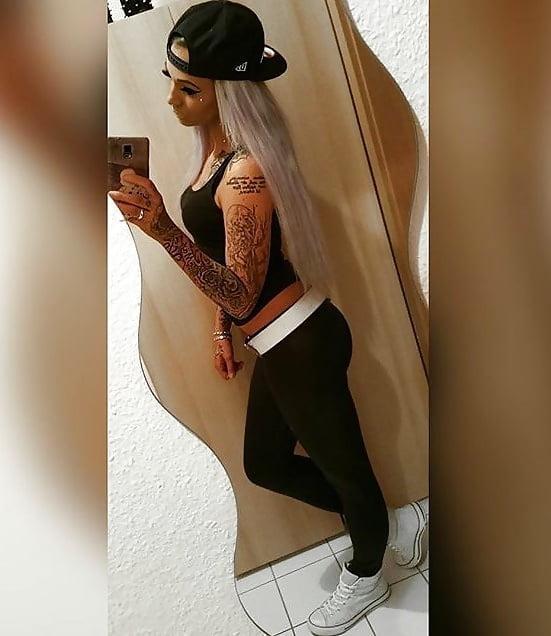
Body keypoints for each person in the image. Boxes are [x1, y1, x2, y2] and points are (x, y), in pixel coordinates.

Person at [108, 2, 428, 634]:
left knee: (347, 469)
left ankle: (368, 571)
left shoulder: (245, 172)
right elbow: (230, 276)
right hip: (278, 343)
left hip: (302, 343)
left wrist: (162, 228)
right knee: (266, 463)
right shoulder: (214, 154)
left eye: (190, 89)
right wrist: (220, 331)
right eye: (173, 81)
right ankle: (381, 527)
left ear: (228, 92)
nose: (172, 100)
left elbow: (238, 290)